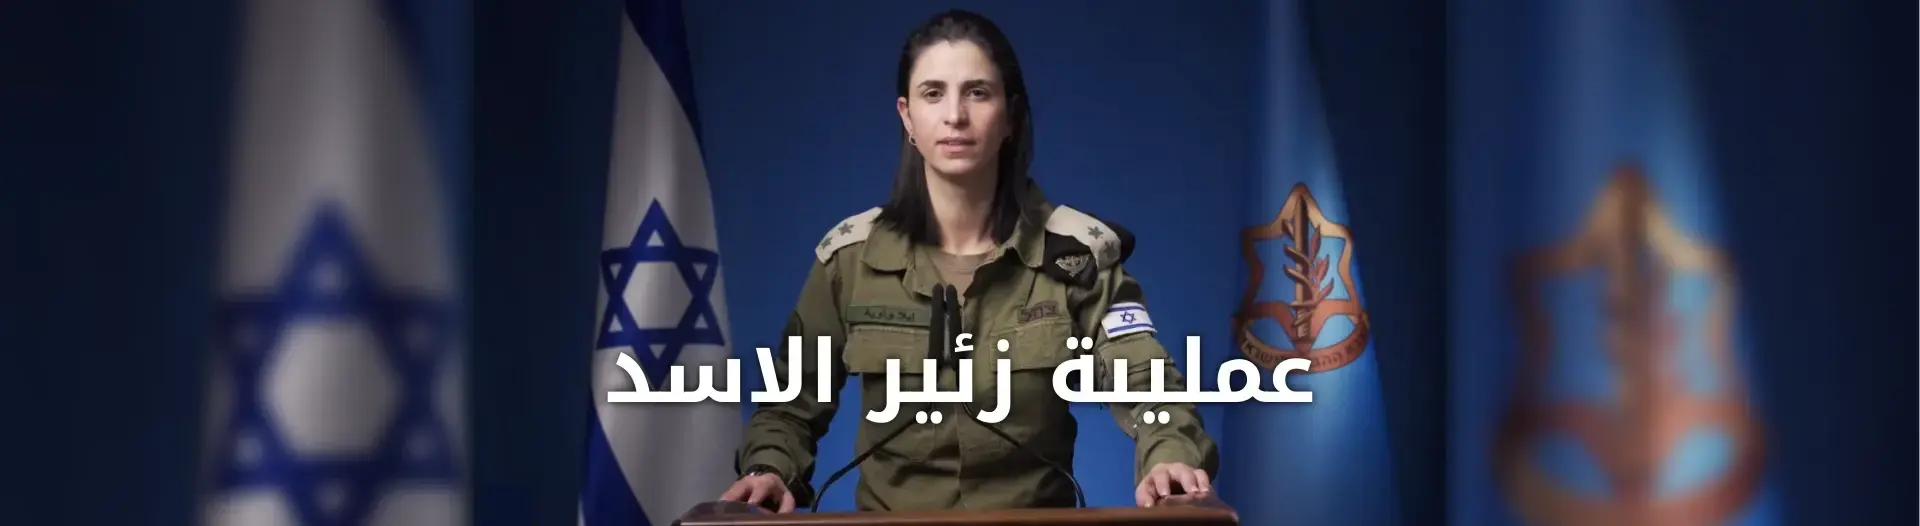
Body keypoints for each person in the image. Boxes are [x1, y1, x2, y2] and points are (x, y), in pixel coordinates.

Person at [718, 9, 1218, 513]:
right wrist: (769, 469)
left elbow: (1148, 382)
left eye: (977, 92)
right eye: (933, 93)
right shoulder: (850, 260)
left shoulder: (1075, 257)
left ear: (1010, 116)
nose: (955, 115)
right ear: (907, 117)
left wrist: (1168, 457)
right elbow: (788, 407)